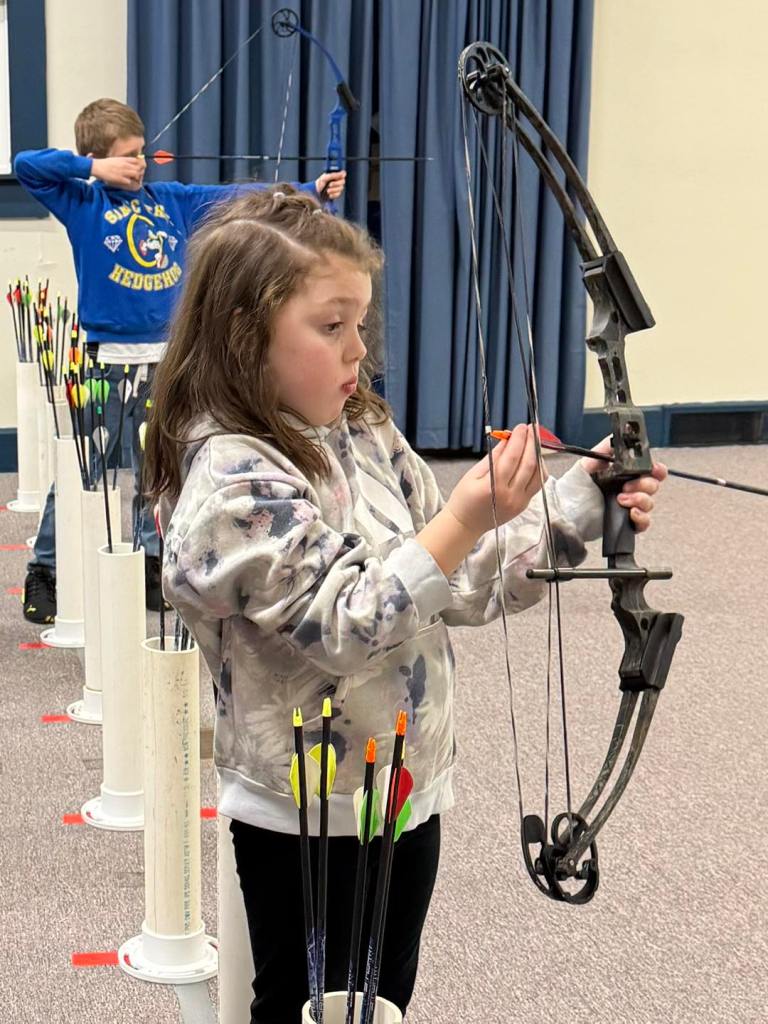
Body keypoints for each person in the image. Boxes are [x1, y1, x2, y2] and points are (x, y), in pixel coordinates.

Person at [143, 186, 665, 1024]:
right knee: (306, 1004)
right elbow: (349, 622)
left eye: (360, 322)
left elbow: (456, 580)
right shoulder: (233, 481)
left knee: (382, 998)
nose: (359, 348)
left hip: (403, 782)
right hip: (305, 809)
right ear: (245, 335)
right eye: (331, 325)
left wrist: (581, 501)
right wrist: (464, 517)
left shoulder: (362, 431)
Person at [13, 97, 346, 622]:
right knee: (84, 467)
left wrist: (309, 189)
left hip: (167, 363)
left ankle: (152, 559)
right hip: (106, 362)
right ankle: (46, 569)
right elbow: (25, 165)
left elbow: (237, 196)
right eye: (127, 155)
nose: (139, 162)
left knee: (159, 468)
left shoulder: (170, 199)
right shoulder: (82, 201)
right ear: (99, 158)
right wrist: (94, 171)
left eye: (141, 151)